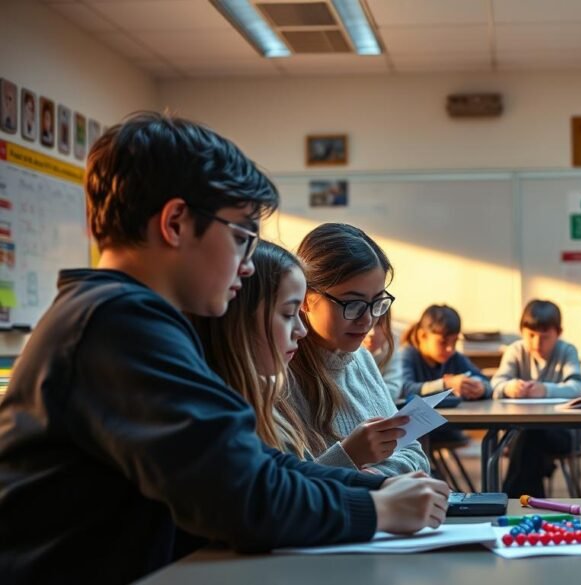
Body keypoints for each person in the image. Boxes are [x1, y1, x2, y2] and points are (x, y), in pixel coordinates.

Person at [0, 113, 448, 583]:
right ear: (175, 223)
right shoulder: (119, 323)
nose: (249, 266)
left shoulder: (124, 316)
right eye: (240, 238)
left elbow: (256, 465)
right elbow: (242, 495)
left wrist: (374, 488)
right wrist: (376, 509)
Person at [289, 222, 430, 475]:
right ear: (306, 298)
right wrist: (349, 457)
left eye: (377, 302)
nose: (367, 320)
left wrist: (376, 476)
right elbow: (286, 492)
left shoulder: (361, 359)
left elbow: (415, 454)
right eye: (352, 303)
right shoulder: (281, 377)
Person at [190, 240, 314, 458]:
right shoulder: (217, 424)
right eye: (288, 314)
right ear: (239, 322)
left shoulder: (268, 402)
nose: (301, 330)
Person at [492, 299, 581, 497]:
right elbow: (495, 384)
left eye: (544, 337)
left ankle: (510, 499)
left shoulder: (567, 351)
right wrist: (510, 387)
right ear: (521, 331)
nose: (536, 343)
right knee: (529, 438)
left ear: (558, 333)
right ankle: (530, 500)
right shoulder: (515, 350)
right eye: (531, 335)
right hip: (520, 432)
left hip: (562, 432)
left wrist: (545, 390)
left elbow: (578, 387)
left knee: (529, 436)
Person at [400, 304, 492, 401]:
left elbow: (486, 382)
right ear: (422, 336)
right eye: (443, 342)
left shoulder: (454, 357)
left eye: (455, 341)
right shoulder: (406, 355)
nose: (450, 349)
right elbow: (404, 389)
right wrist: (445, 384)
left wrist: (481, 388)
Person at [364, 310, 402, 401]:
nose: (371, 333)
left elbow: (393, 389)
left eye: (378, 324)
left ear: (388, 327)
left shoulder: (392, 346)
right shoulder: (347, 349)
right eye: (366, 322)